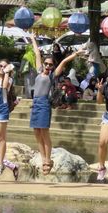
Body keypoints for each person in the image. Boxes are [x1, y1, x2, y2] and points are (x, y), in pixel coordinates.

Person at [29, 34, 83, 175]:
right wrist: (33, 38)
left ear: (53, 66)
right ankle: (43, 158)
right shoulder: (40, 71)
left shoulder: (52, 76)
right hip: (35, 104)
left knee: (44, 132)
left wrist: (75, 54)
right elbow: (36, 53)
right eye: (46, 64)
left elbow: (64, 61)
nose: (47, 66)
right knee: (36, 132)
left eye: (50, 64)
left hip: (44, 104)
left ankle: (48, 160)